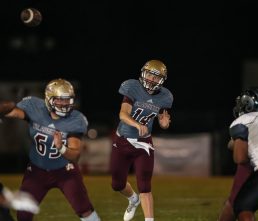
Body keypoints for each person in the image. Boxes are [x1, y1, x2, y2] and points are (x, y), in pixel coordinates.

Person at [0, 78, 101, 221]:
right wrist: (5, 108)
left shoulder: (75, 119)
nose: (64, 104)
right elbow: (12, 112)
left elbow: (75, 156)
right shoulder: (34, 107)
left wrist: (61, 147)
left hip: (65, 171)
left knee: (84, 210)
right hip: (37, 171)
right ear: (49, 99)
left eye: (68, 100)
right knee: (23, 214)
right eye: (60, 100)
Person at [110, 59, 173, 221]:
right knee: (117, 184)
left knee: (145, 186)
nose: (151, 80)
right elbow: (123, 114)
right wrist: (137, 125)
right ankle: (133, 199)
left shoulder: (165, 96)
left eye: (156, 77)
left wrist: (164, 124)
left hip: (144, 143)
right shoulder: (132, 87)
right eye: (150, 75)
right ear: (143, 74)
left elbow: (162, 117)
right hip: (123, 140)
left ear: (161, 80)